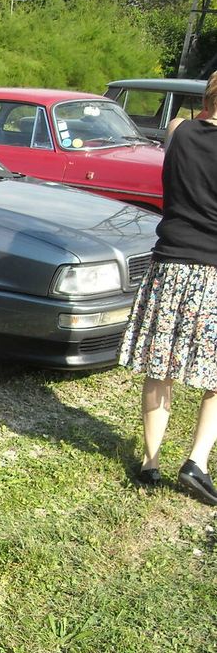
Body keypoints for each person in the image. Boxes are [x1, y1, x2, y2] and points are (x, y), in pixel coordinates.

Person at [119, 70, 217, 505]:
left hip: (171, 264)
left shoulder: (179, 132)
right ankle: (196, 462)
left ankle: (151, 462)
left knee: (161, 368)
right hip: (214, 272)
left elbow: (182, 121)